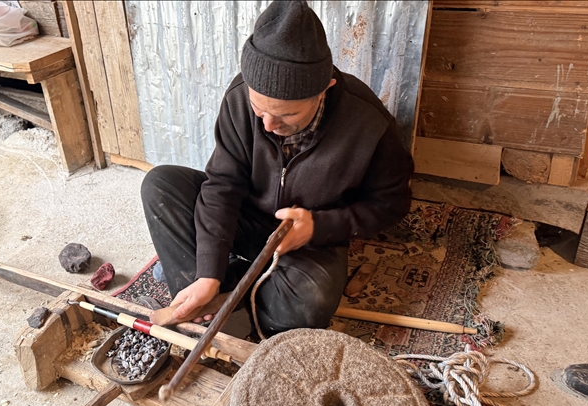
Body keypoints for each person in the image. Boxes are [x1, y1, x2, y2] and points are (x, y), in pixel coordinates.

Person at [140, 0, 414, 336]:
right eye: (260, 110)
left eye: (287, 116)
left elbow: (391, 205)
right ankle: (205, 294)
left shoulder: (368, 123)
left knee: (311, 301)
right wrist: (207, 273)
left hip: (309, 241)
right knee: (160, 185)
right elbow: (222, 185)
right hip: (248, 217)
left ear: (323, 89)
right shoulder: (240, 97)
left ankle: (239, 296)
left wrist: (319, 226)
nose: (268, 125)